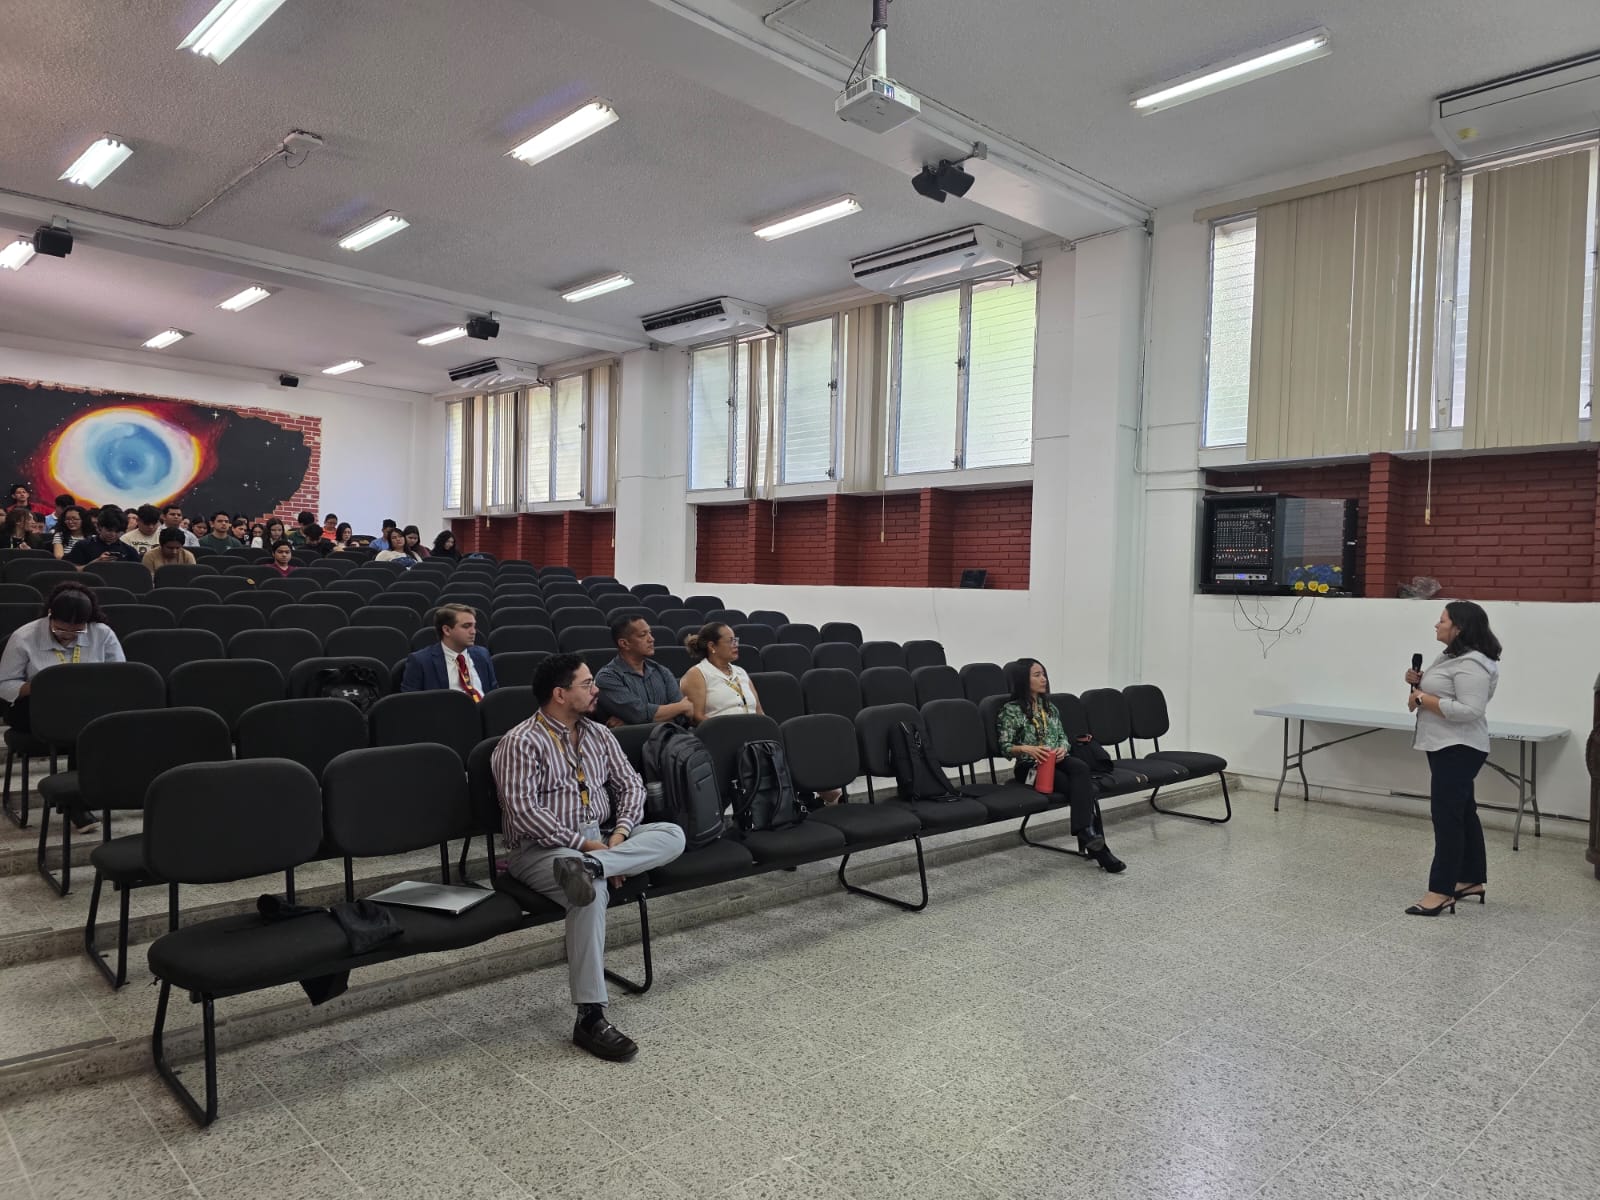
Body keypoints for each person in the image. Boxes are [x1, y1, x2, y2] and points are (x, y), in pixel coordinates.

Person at [491, 654, 687, 1061]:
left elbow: (631, 787)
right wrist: (585, 846)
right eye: (586, 684)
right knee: (589, 892)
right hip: (543, 849)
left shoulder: (599, 734)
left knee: (673, 834)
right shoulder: (520, 742)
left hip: (603, 841)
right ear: (560, 694)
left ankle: (596, 868)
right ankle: (590, 1016)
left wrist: (618, 836)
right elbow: (524, 813)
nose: (596, 690)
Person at [0, 582, 126, 831]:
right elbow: (4, 684)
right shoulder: (25, 636)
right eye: (60, 629)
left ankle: (77, 798)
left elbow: (120, 675)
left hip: (85, 707)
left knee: (89, 723)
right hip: (33, 707)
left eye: (77, 631)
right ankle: (76, 804)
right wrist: (42, 685)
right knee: (83, 726)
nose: (68, 635)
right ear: (50, 615)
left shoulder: (102, 633)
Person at [1404, 602, 1503, 917]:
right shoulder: (1450, 657)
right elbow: (1441, 694)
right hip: (1444, 744)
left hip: (1459, 747)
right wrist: (1418, 682)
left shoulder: (1472, 664)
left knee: (1447, 818)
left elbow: (1471, 710)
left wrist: (1423, 697)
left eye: (1443, 620)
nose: (1436, 624)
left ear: (1459, 627)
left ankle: (1440, 891)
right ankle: (1470, 879)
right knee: (1463, 812)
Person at [996, 660, 1124, 872]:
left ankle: (1086, 832)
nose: (1044, 679)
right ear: (1023, 680)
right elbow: (1005, 747)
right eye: (1037, 675)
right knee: (1078, 787)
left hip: (1056, 759)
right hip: (1029, 766)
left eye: (1044, 674)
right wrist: (1028, 749)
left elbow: (1063, 738)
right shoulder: (1011, 711)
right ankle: (1097, 845)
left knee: (1080, 767)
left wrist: (1063, 749)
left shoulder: (1050, 708)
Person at [595, 617, 693, 728]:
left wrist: (630, 722)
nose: (651, 639)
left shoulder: (662, 671)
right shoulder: (607, 677)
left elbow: (683, 717)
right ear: (624, 643)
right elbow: (639, 714)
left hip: (671, 736)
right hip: (633, 739)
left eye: (650, 633)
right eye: (643, 635)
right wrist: (679, 707)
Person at [400, 603, 498, 697]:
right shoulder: (420, 661)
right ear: (447, 630)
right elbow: (411, 702)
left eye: (474, 626)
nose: (473, 632)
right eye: (466, 626)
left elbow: (493, 695)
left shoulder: (482, 654)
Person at [680, 622, 761, 722]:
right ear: (712, 646)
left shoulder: (741, 672)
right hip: (720, 730)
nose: (736, 645)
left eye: (735, 640)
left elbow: (758, 711)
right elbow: (697, 717)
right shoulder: (697, 674)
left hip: (753, 728)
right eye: (730, 641)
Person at [67, 508, 143, 568]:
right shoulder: (83, 546)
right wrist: (95, 564)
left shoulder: (129, 551)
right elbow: (73, 571)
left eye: (118, 531)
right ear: (99, 527)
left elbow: (137, 574)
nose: (113, 534)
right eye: (109, 530)